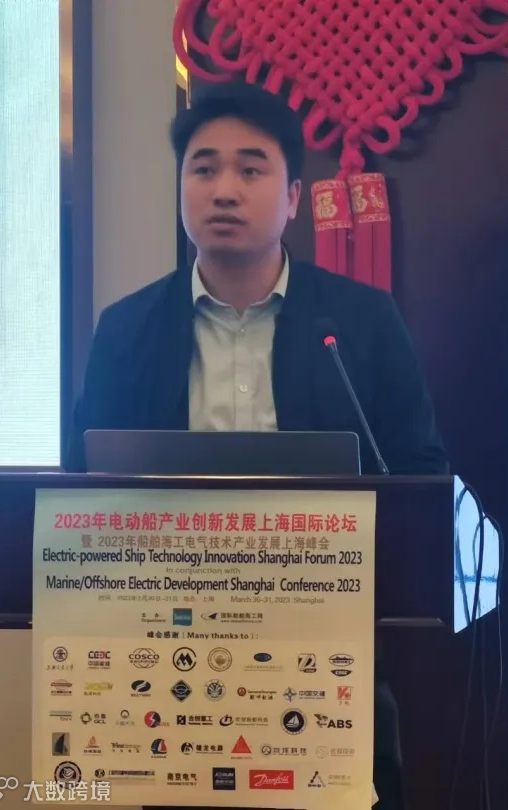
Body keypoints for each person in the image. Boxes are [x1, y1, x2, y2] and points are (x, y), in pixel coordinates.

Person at [65, 81, 449, 809]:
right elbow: (81, 482)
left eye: (250, 168)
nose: (224, 189)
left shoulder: (362, 323)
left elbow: (422, 475)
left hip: (326, 644)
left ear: (294, 196)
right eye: (204, 168)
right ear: (181, 188)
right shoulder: (125, 329)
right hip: (165, 650)